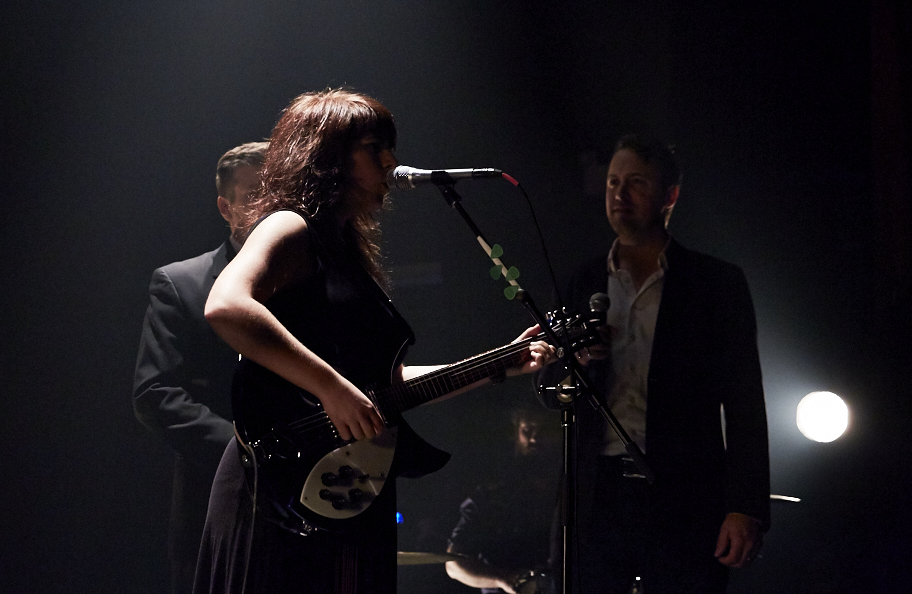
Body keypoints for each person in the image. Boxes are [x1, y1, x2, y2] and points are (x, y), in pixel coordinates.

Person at [194, 89, 556, 594]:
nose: (392, 161)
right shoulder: (290, 226)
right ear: (328, 158)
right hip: (276, 486)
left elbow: (379, 388)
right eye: (374, 148)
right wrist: (331, 388)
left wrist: (497, 365)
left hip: (339, 485)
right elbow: (227, 305)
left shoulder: (346, 252)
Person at [537, 135, 769, 594]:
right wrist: (575, 360)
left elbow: (745, 402)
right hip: (595, 493)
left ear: (670, 196)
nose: (619, 196)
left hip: (684, 490)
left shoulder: (716, 283)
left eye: (635, 183)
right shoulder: (582, 279)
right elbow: (547, 388)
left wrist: (746, 507)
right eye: (612, 183)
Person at [133, 140, 268, 594]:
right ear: (225, 208)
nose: (270, 204)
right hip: (216, 504)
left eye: (278, 191)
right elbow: (155, 396)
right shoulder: (181, 282)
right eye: (255, 193)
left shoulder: (312, 279)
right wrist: (248, 455)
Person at [445, 409, 556, 593]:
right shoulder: (490, 497)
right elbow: (453, 564)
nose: (535, 438)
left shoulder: (568, 491)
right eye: (527, 430)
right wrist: (506, 579)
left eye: (544, 430)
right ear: (516, 433)